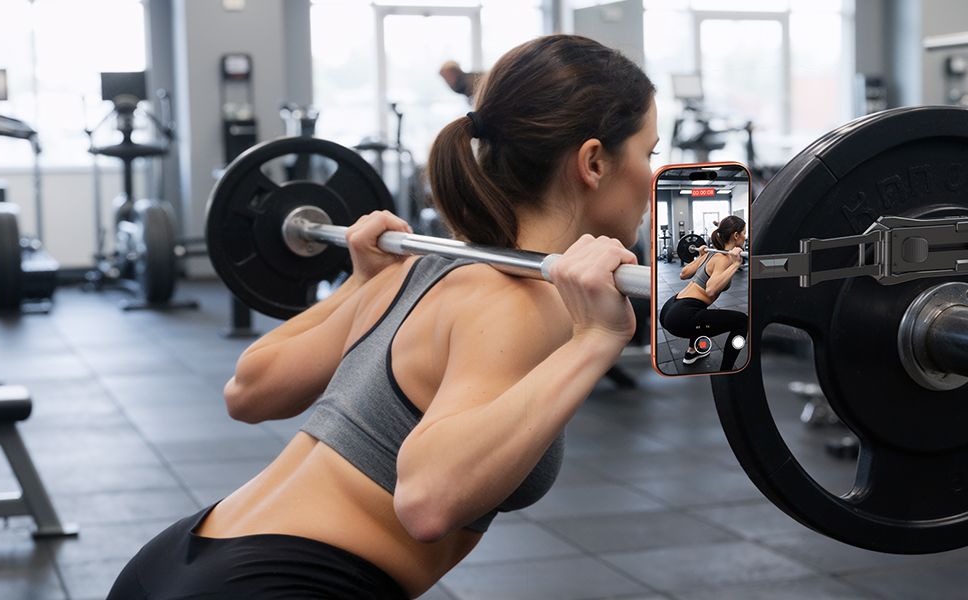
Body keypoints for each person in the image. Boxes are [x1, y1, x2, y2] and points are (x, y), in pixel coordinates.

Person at [107, 34, 657, 600]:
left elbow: (250, 388)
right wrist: (595, 338)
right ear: (593, 162)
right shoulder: (520, 302)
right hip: (277, 583)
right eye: (650, 153)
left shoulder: (417, 265)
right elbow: (427, 501)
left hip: (177, 559)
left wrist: (359, 280)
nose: (654, 177)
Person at [658, 215, 748, 372]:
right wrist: (736, 264)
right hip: (682, 318)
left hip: (670, 308)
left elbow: (683, 274)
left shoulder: (710, 253)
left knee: (702, 313)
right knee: (742, 321)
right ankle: (727, 371)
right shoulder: (724, 259)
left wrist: (701, 257)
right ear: (736, 235)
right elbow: (711, 289)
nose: (745, 237)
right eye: (744, 233)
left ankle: (691, 353)